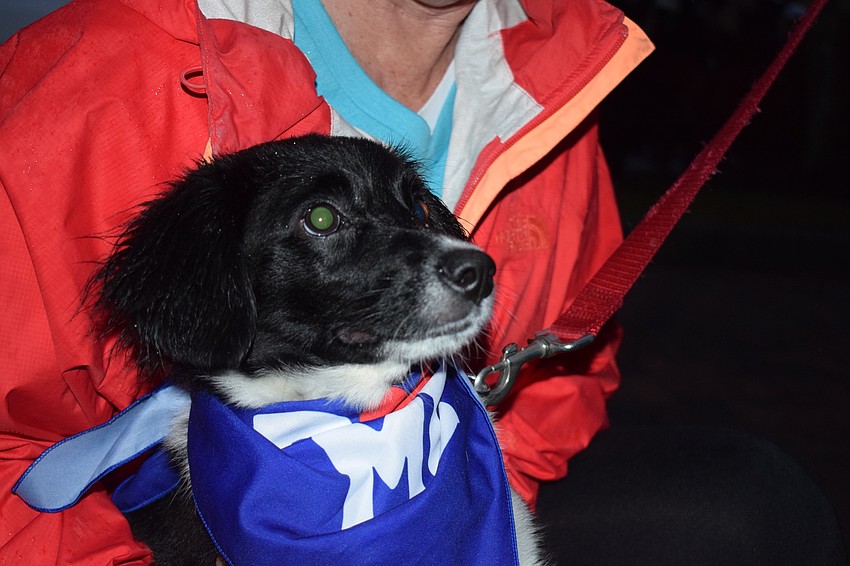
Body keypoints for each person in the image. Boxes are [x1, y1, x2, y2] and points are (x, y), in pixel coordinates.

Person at [1, 1, 845, 564]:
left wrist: (446, 510)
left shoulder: (554, 93)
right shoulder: (111, 66)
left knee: (748, 499)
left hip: (448, 489)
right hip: (133, 529)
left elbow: (561, 387)